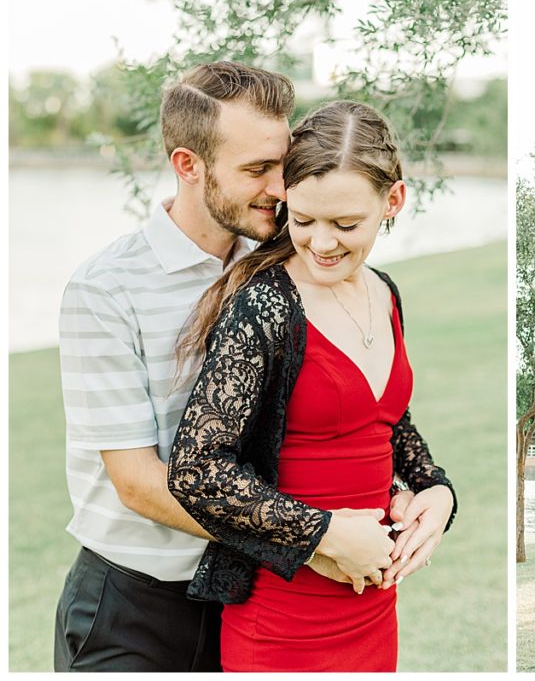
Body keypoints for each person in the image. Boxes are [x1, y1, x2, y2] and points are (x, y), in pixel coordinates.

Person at [53, 62, 432, 672]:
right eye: (257, 171)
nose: (281, 190)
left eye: (281, 166)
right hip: (138, 604)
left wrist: (424, 492)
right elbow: (137, 481)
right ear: (189, 165)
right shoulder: (106, 289)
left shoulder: (286, 261)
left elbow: (326, 420)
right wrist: (317, 539)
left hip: (255, 587)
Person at [167, 100, 456, 672]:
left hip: (374, 608)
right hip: (282, 617)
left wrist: (436, 492)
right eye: (302, 220)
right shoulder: (266, 304)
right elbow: (196, 469)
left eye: (346, 225)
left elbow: (387, 421)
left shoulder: (385, 292)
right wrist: (322, 533)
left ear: (393, 201)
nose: (322, 243)